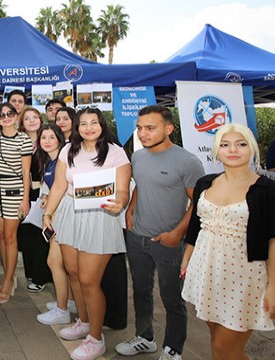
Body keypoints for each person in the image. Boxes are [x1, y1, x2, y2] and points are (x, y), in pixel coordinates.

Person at [115, 105, 204, 360]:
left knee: (172, 297)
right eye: (140, 128)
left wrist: (177, 233)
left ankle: (173, 348)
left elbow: (198, 203)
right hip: (137, 237)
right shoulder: (139, 156)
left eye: (150, 128)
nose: (142, 134)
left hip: (168, 242)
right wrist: (130, 210)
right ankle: (145, 338)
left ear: (169, 128)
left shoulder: (188, 161)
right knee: (141, 291)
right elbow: (140, 186)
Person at [42, 108, 131, 360]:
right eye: (83, 123)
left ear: (102, 125)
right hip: (70, 213)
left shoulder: (116, 152)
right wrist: (49, 213)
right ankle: (83, 321)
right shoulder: (67, 150)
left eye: (94, 122)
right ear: (77, 127)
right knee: (74, 274)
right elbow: (59, 185)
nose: (89, 127)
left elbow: (123, 190)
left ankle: (96, 337)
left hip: (101, 216)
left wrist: (120, 203)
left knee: (90, 280)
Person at [181, 124, 275, 360]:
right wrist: (187, 258)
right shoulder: (205, 182)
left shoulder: (267, 189)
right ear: (216, 150)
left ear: (252, 149)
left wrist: (273, 286)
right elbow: (196, 225)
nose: (233, 150)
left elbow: (273, 240)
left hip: (245, 276)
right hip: (206, 271)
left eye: (241, 144)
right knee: (218, 343)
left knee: (225, 347)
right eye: (225, 144)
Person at [0, 102, 32, 304]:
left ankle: (7, 282)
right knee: (1, 235)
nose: (6, 118)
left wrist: (25, 200)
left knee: (11, 237)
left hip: (15, 191)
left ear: (16, 115)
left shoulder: (24, 140)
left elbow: (26, 174)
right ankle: (9, 275)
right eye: (1, 115)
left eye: (9, 114)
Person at [33, 124, 72, 325]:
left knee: (54, 262)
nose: (47, 140)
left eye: (51, 137)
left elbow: (65, 188)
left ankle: (62, 309)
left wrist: (51, 211)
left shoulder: (62, 160)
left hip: (62, 217)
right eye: (43, 137)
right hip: (55, 215)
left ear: (60, 139)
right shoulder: (50, 161)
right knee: (65, 263)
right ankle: (69, 301)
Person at [16, 107, 50, 293]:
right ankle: (31, 273)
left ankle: (40, 276)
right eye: (27, 118)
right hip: (23, 195)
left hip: (43, 194)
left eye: (34, 117)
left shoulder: (47, 139)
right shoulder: (19, 142)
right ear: (22, 123)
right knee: (26, 236)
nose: (31, 121)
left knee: (41, 237)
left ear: (40, 119)